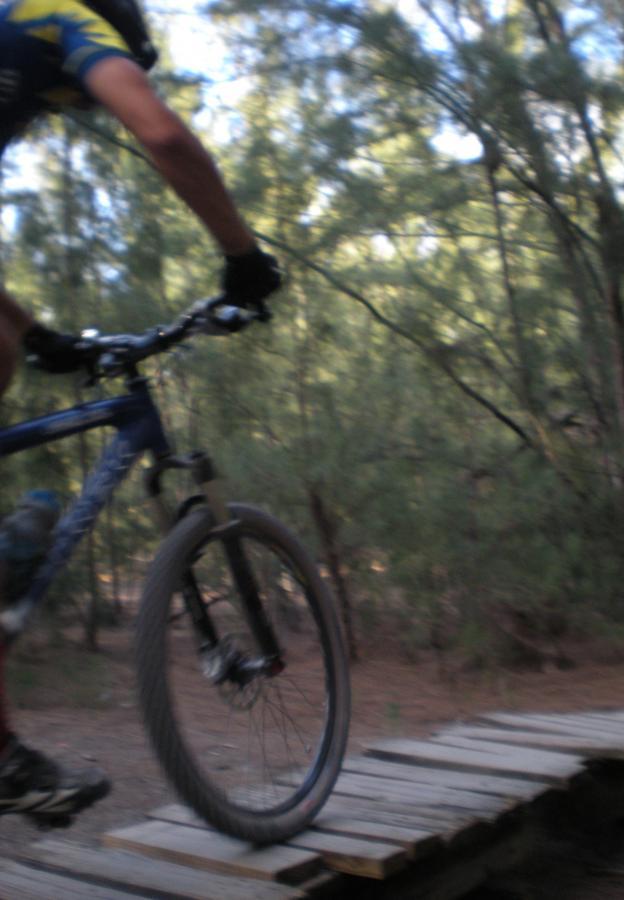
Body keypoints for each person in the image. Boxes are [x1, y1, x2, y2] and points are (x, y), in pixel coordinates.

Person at [0, 0, 281, 823]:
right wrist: (242, 256)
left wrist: (39, 332)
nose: (83, 109)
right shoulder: (62, 14)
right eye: (87, 95)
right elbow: (161, 134)